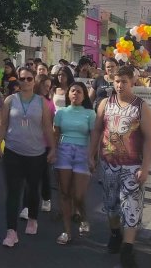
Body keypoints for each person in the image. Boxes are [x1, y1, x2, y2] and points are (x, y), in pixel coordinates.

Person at [89, 65, 151, 268]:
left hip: (132, 167)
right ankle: (115, 234)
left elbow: (149, 139)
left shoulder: (140, 106)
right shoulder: (104, 104)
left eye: (124, 81)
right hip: (109, 165)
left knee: (131, 208)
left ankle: (127, 249)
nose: (119, 85)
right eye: (117, 81)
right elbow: (97, 130)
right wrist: (91, 156)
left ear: (132, 82)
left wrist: (145, 168)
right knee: (111, 207)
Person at [0, 67, 56, 247]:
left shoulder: (41, 102)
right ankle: (11, 231)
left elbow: (47, 126)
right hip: (13, 151)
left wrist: (52, 148)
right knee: (13, 192)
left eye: (29, 79)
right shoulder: (10, 100)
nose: (26, 82)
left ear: (34, 81)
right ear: (18, 81)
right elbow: (3, 123)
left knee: (32, 190)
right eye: (22, 79)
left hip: (36, 153)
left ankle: (32, 218)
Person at [54, 82, 96, 244]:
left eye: (79, 91)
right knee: (65, 193)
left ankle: (83, 217)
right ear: (68, 94)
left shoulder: (90, 114)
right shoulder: (61, 112)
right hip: (64, 152)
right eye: (73, 91)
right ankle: (66, 231)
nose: (75, 94)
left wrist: (92, 157)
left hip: (82, 153)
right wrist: (52, 152)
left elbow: (94, 137)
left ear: (84, 96)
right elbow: (55, 134)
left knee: (78, 195)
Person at [19, 74, 56, 221]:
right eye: (44, 85)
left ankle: (46, 198)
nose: (47, 89)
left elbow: (51, 125)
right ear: (38, 85)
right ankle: (26, 207)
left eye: (49, 86)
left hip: (44, 142)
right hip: (28, 142)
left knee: (44, 174)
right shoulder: (27, 100)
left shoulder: (49, 103)